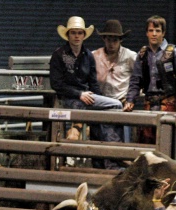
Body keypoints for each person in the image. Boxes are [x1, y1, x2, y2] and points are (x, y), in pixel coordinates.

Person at [49, 16, 123, 144]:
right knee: (116, 105)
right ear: (68, 35)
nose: (76, 36)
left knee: (110, 107)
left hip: (86, 98)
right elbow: (56, 84)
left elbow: (93, 83)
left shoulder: (88, 55)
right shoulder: (59, 54)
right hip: (68, 98)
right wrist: (79, 94)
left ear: (83, 35)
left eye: (79, 33)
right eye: (73, 32)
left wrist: (98, 99)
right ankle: (115, 150)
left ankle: (107, 150)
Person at [124, 15, 176, 144]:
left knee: (168, 142)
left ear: (164, 33)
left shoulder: (174, 54)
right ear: (146, 33)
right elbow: (136, 79)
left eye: (158, 30)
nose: (154, 34)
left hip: (169, 103)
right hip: (149, 103)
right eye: (151, 30)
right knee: (147, 142)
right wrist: (130, 99)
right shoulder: (143, 54)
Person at [92, 19, 137, 146]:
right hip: (101, 104)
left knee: (121, 141)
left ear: (120, 40)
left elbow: (139, 77)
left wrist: (131, 98)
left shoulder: (130, 56)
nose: (111, 43)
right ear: (104, 39)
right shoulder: (95, 56)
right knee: (98, 141)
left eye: (115, 40)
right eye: (109, 39)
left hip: (122, 105)